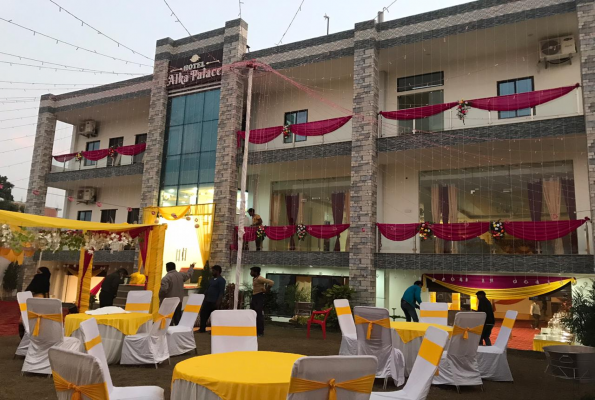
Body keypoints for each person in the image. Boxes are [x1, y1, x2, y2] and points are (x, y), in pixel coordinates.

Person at [198, 265, 226, 333]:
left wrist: (218, 301)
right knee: (203, 314)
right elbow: (207, 289)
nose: (212, 272)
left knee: (214, 316)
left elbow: (221, 291)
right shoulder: (211, 280)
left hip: (214, 301)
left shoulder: (221, 280)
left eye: (213, 271)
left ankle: (214, 330)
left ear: (217, 271)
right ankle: (202, 329)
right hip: (207, 300)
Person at [250, 267, 274, 336]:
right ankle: (255, 330)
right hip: (254, 296)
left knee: (259, 314)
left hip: (259, 296)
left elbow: (271, 282)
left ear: (256, 272)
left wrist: (266, 290)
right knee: (253, 313)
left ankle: (260, 331)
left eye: (252, 272)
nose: (251, 273)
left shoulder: (260, 278)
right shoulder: (255, 279)